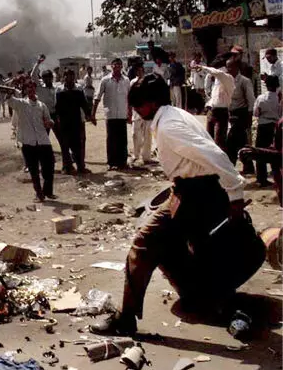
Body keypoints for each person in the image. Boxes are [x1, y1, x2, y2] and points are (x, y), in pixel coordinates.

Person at [91, 74, 265, 336]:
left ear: (151, 103)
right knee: (205, 251)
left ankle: (126, 318)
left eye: (138, 105)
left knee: (143, 243)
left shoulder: (170, 126)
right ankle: (225, 307)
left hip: (195, 194)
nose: (137, 111)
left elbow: (216, 155)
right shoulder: (174, 115)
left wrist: (236, 194)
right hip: (189, 191)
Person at [4, 78, 56, 202]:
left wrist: (49, 123)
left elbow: (49, 120)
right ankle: (39, 194)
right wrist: (11, 86)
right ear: (25, 90)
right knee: (34, 170)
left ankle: (48, 191)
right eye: (28, 88)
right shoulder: (21, 104)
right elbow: (9, 99)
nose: (31, 90)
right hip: (28, 142)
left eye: (33, 87)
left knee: (49, 166)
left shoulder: (41, 105)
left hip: (43, 141)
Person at [92, 58, 131, 170]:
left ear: (122, 66)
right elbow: (97, 97)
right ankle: (111, 162)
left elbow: (129, 98)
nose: (117, 67)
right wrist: (93, 114)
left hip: (122, 114)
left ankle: (122, 162)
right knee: (111, 139)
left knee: (122, 140)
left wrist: (130, 113)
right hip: (110, 114)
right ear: (111, 66)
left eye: (119, 65)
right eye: (115, 65)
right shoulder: (105, 80)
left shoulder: (126, 80)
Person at [56, 69, 94, 174]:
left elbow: (83, 103)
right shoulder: (59, 90)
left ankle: (81, 167)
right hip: (64, 122)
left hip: (76, 121)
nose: (70, 78)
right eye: (67, 76)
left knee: (78, 145)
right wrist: (58, 119)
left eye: (72, 76)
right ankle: (66, 167)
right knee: (65, 146)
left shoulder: (79, 89)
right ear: (64, 77)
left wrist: (88, 115)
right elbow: (57, 107)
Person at [196, 57, 236, 152]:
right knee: (208, 139)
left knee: (219, 141)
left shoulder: (227, 78)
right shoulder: (217, 82)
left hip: (221, 112)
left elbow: (218, 73)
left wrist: (204, 68)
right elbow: (208, 87)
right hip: (212, 110)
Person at [248, 75, 281, 187]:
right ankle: (277, 176)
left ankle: (261, 178)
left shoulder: (261, 98)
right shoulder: (279, 99)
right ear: (277, 86)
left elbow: (256, 113)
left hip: (263, 125)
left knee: (260, 152)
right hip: (275, 126)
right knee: (275, 152)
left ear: (266, 85)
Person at [226, 59, 255, 168]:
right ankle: (248, 165)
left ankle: (232, 166)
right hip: (231, 114)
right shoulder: (227, 81)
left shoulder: (244, 81)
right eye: (227, 67)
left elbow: (251, 100)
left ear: (237, 68)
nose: (228, 70)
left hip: (241, 114)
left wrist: (249, 116)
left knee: (232, 141)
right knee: (241, 141)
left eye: (231, 67)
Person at [129, 65, 154, 165]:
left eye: (141, 71)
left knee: (147, 135)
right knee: (135, 134)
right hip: (136, 112)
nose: (139, 73)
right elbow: (130, 98)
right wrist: (129, 112)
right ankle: (136, 155)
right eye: (138, 71)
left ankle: (146, 157)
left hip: (147, 112)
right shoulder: (132, 82)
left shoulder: (148, 82)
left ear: (143, 72)